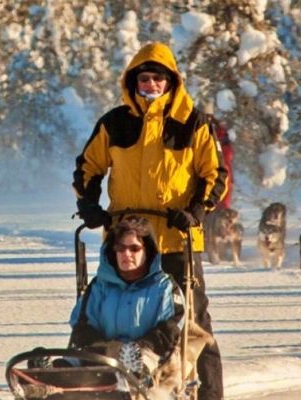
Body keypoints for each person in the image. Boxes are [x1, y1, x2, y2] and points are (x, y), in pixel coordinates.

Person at [72, 42, 227, 400]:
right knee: (102, 313)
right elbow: (88, 167)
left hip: (176, 238)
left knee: (193, 323)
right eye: (144, 78)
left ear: (171, 82)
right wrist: (90, 205)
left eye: (158, 78)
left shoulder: (193, 123)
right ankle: (90, 382)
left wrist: (196, 212)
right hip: (125, 240)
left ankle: (208, 393)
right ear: (133, 82)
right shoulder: (115, 123)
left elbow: (215, 174)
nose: (151, 85)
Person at [68, 216, 183, 382]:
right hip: (100, 352)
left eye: (134, 249)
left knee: (139, 363)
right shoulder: (100, 285)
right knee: (69, 362)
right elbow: (82, 323)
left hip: (149, 354)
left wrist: (141, 348)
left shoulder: (164, 287)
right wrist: (104, 349)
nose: (126, 254)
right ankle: (45, 378)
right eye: (120, 248)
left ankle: (130, 376)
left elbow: (170, 328)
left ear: (147, 251)